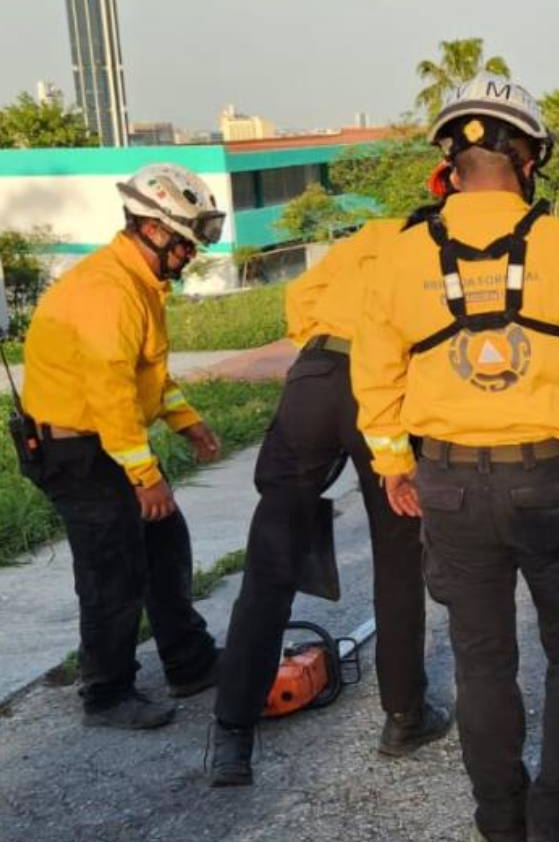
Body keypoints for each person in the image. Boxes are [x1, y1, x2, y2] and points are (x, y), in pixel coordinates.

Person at [351, 74, 559, 842]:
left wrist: (392, 464)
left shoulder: (400, 254)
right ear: (527, 159)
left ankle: (500, 830)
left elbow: (373, 373)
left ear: (451, 162)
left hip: (448, 485)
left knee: (483, 659)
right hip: (551, 481)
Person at [208, 225, 451, 787]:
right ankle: (404, 716)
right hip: (383, 389)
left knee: (270, 560)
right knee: (397, 553)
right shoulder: (445, 249)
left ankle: (232, 736)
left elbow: (300, 299)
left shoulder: (370, 237)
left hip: (314, 377)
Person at [20, 163, 224, 729]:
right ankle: (107, 694)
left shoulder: (136, 284)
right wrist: (146, 476)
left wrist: (186, 420)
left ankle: (189, 662)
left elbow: (146, 375)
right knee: (113, 570)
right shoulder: (108, 291)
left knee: (164, 545)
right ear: (154, 231)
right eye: (185, 244)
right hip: (78, 451)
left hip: (105, 441)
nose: (190, 257)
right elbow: (109, 390)